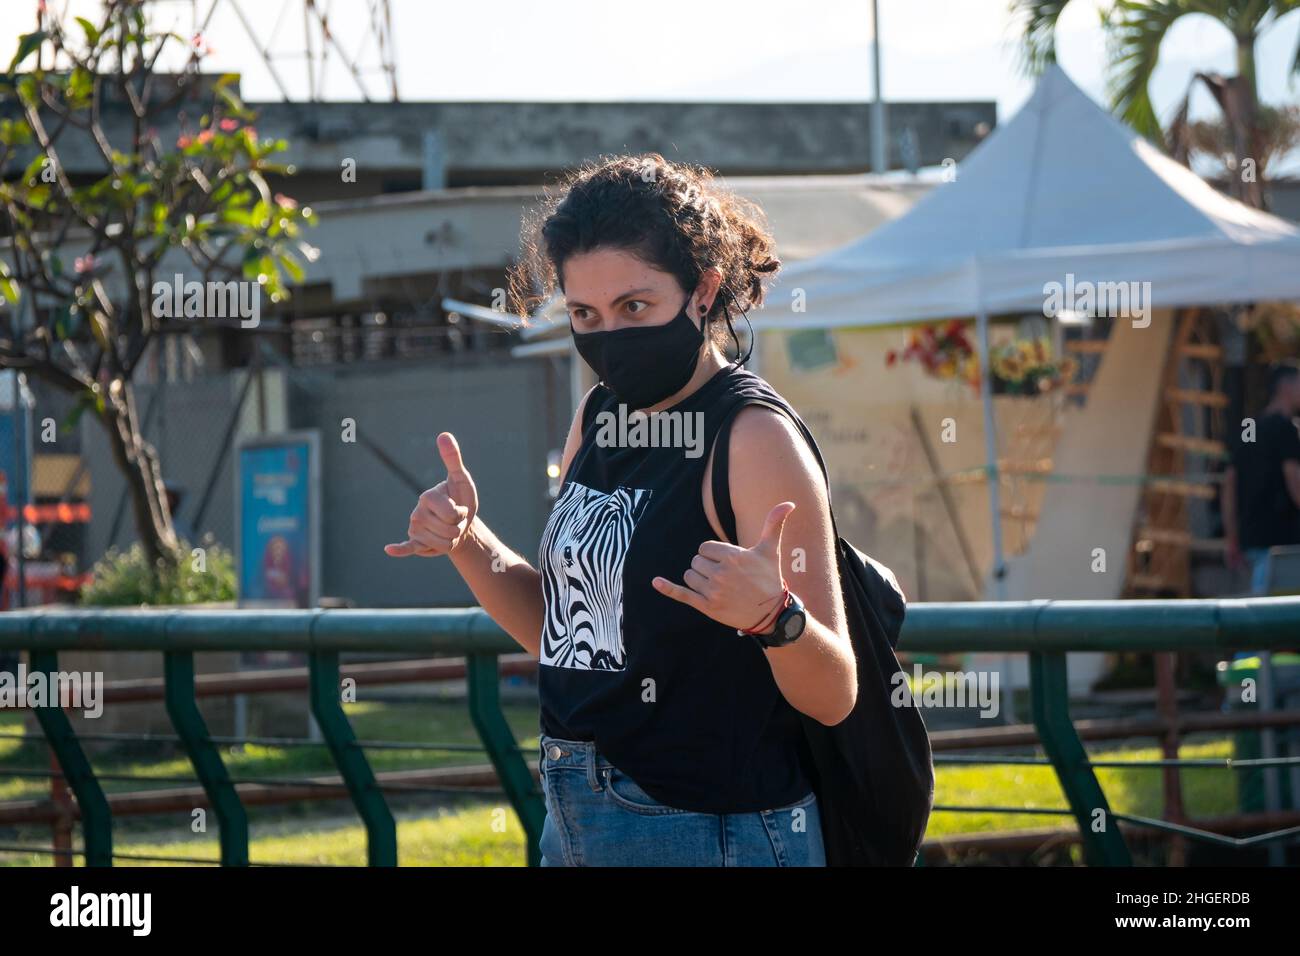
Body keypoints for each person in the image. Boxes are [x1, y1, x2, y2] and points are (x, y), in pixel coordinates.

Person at [384, 154, 855, 866]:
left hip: (714, 833)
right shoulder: (598, 417)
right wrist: (465, 539)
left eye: (635, 307)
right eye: (584, 314)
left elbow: (836, 693)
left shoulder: (754, 436)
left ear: (703, 292)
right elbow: (566, 632)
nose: (609, 337)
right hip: (578, 817)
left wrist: (774, 618)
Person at [1224, 361, 1300, 594]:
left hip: (1250, 540)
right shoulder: (1286, 429)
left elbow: (1230, 481)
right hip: (1282, 544)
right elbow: (1294, 481)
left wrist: (1231, 536)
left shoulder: (1250, 428)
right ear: (1286, 387)